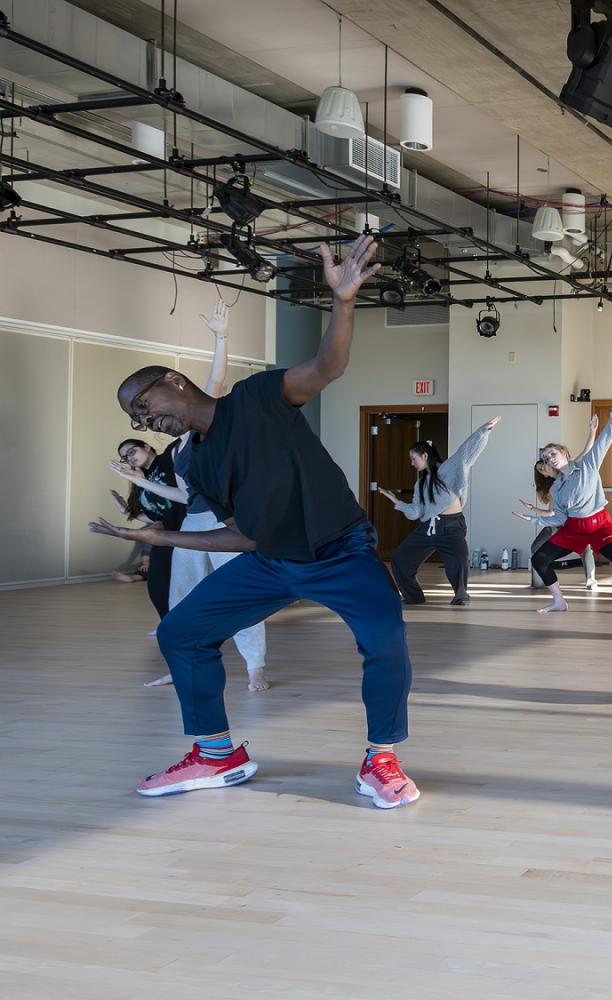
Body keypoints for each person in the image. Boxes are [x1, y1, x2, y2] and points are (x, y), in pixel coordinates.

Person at [89, 234, 421, 808]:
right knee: (181, 633)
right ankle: (217, 756)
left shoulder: (258, 397)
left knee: (386, 641)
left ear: (173, 379)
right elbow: (245, 535)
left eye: (144, 404)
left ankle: (381, 760)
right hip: (273, 562)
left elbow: (326, 367)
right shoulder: (197, 462)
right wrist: (156, 535)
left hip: (341, 552)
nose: (146, 421)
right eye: (136, 418)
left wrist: (343, 302)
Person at [111, 302, 270, 691]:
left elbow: (213, 385)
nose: (151, 422)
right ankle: (182, 666)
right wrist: (141, 482)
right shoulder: (176, 452)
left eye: (150, 412)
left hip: (227, 524)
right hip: (195, 522)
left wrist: (221, 338)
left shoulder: (201, 432)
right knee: (180, 602)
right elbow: (182, 494)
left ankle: (255, 668)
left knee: (241, 596)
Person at [380, 416, 501, 607]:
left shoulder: (448, 470)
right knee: (400, 558)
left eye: (413, 458)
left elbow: (466, 453)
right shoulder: (421, 484)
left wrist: (483, 431)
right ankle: (413, 596)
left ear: (425, 456)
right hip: (428, 528)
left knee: (458, 563)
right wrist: (398, 502)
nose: (412, 463)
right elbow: (414, 513)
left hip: (452, 526)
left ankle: (461, 596)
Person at [522, 405, 612, 614]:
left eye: (552, 453)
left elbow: (604, 442)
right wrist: (534, 519)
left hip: (600, 524)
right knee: (539, 559)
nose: (550, 459)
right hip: (573, 528)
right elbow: (560, 517)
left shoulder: (588, 465)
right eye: (546, 458)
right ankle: (559, 602)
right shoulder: (555, 488)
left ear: (563, 452)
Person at [110, 436, 186, 623]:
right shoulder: (141, 481)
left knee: (189, 581)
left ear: (147, 447)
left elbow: (184, 496)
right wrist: (127, 512)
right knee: (157, 581)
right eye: (125, 458)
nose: (129, 459)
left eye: (131, 452)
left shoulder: (167, 459)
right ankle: (168, 624)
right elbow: (155, 516)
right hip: (167, 533)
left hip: (189, 527)